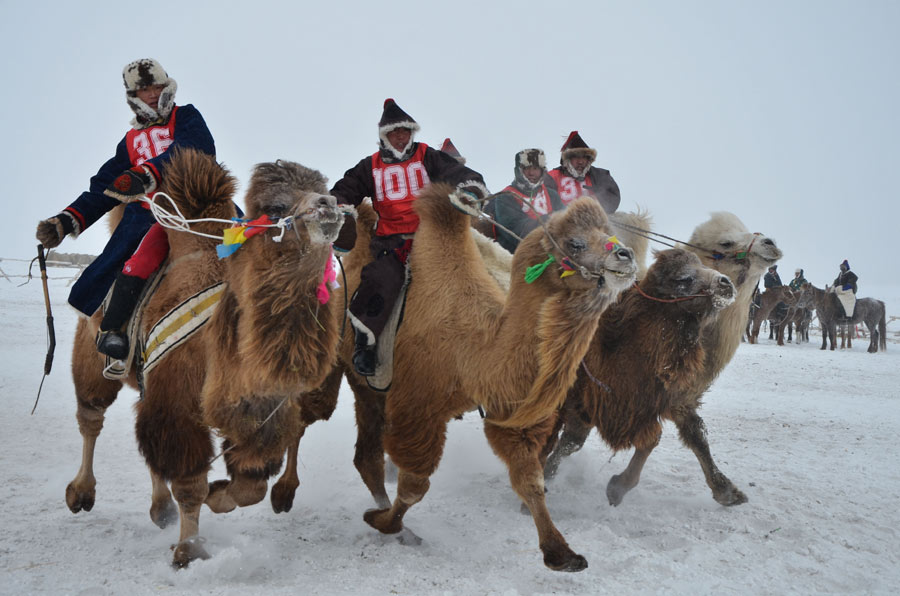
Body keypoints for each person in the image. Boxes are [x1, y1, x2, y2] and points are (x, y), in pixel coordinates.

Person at [35, 59, 216, 359]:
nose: (153, 93)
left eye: (157, 86)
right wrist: (67, 220)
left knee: (246, 234)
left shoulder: (186, 117)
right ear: (134, 95)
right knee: (138, 255)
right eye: (145, 89)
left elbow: (197, 148)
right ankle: (112, 328)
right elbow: (106, 185)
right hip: (150, 215)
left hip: (198, 205)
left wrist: (148, 173)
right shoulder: (130, 142)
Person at [330, 98, 488, 376]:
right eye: (395, 133)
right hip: (391, 244)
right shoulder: (370, 166)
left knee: (478, 270)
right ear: (385, 136)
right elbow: (346, 188)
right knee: (381, 280)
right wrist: (341, 209)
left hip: (433, 239)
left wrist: (470, 189)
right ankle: (365, 345)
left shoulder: (428, 156)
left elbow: (458, 172)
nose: (401, 138)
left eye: (405, 132)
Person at [480, 148, 563, 253]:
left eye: (536, 168)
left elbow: (565, 221)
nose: (531, 173)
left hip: (551, 252)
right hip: (516, 255)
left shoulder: (552, 195)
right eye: (526, 168)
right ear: (519, 170)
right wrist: (552, 220)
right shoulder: (506, 197)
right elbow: (517, 232)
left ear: (542, 170)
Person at [544, 131, 620, 215]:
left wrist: (595, 201)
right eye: (576, 157)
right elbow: (542, 203)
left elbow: (613, 196)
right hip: (563, 223)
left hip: (595, 220)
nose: (580, 162)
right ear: (568, 159)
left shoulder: (599, 175)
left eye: (584, 157)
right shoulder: (552, 177)